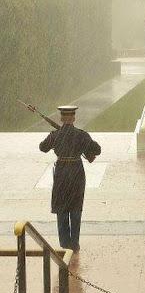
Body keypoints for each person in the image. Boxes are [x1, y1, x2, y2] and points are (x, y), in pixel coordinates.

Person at [39, 105, 101, 252]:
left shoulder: (55, 135)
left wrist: (55, 138)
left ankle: (64, 242)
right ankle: (75, 243)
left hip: (61, 172)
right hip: (76, 172)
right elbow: (97, 150)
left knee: (61, 207)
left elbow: (42, 147)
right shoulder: (82, 135)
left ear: (61, 118)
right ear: (74, 118)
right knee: (75, 207)